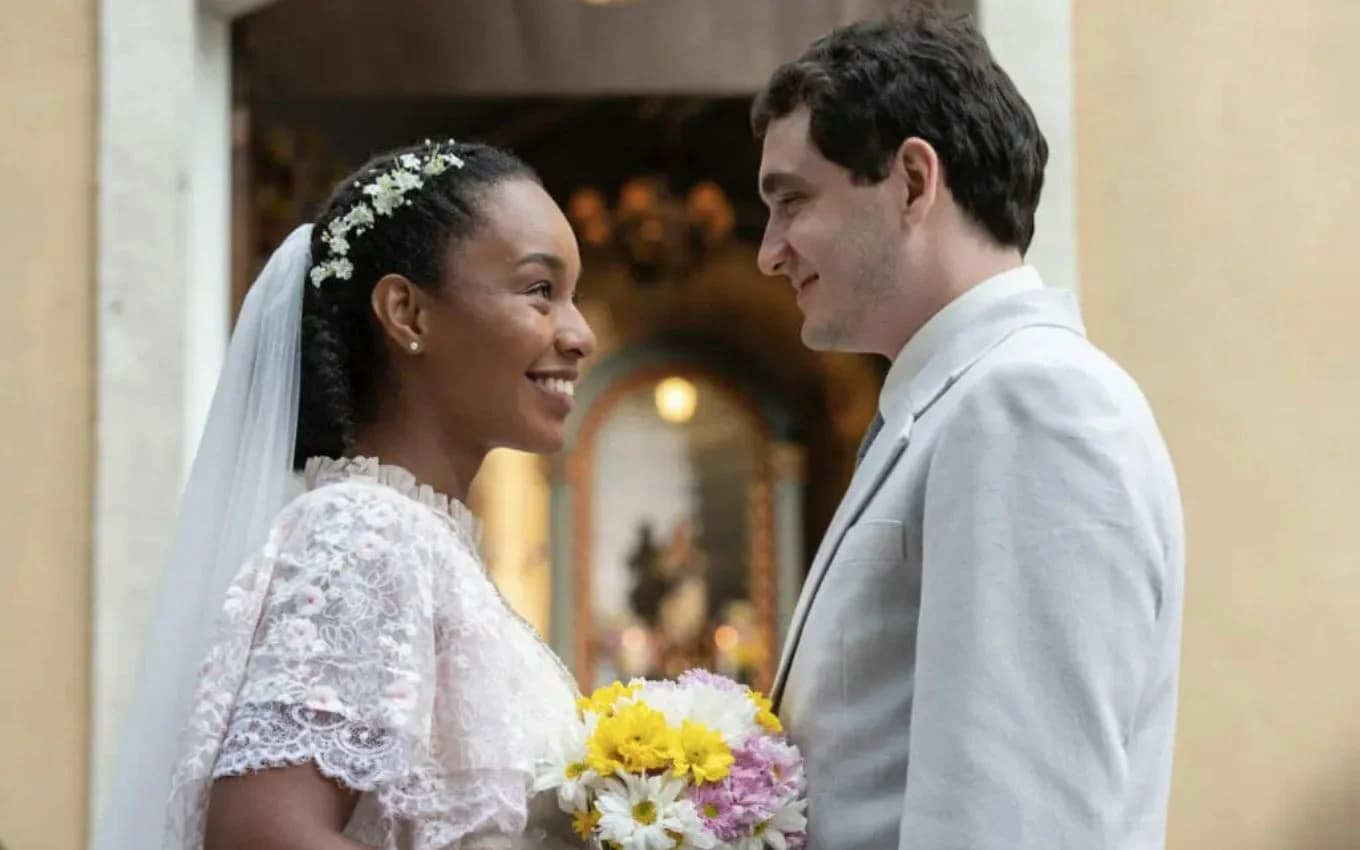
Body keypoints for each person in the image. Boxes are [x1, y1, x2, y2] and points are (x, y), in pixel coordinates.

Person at [752, 6, 1185, 849]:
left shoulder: (1032, 403)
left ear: (914, 181)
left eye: (791, 201)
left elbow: (1017, 819)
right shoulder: (956, 399)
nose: (769, 252)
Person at [91, 140, 596, 850]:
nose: (581, 334)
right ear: (407, 314)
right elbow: (263, 836)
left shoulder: (421, 544)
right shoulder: (365, 532)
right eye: (541, 290)